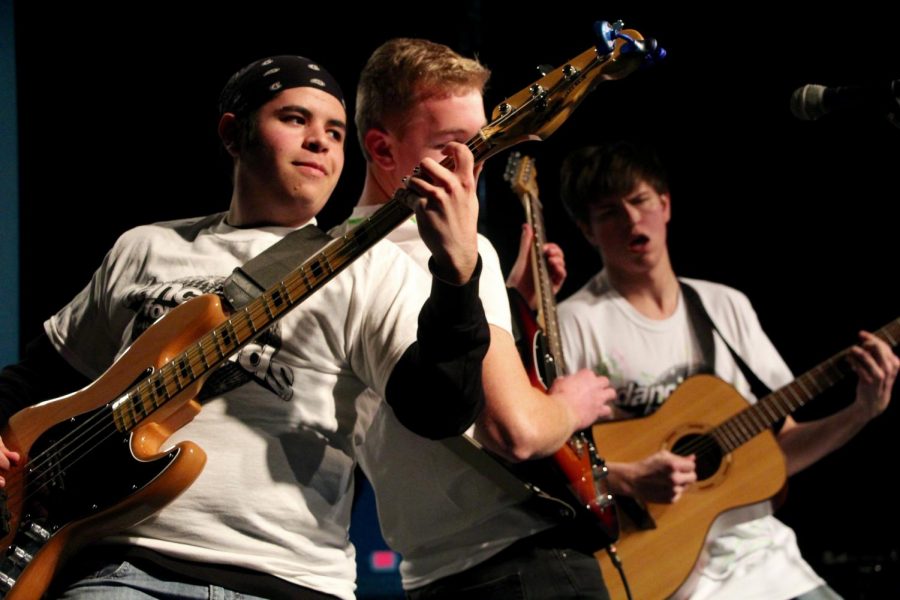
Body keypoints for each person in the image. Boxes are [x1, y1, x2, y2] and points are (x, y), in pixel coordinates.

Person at [0, 54, 493, 600]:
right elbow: (35, 379)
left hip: (290, 577)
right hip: (118, 569)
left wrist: (456, 275)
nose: (320, 142)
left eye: (334, 131)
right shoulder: (147, 247)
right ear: (234, 135)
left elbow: (442, 407)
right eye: (294, 119)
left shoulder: (370, 265)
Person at [333, 38, 616, 599]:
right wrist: (571, 404)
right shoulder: (464, 249)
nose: (475, 163)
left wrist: (511, 306)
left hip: (429, 577)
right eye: (452, 146)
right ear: (383, 150)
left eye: (482, 141)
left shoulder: (330, 260)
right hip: (526, 564)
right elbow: (515, 431)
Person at [556, 141, 899, 600]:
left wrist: (860, 412)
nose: (632, 220)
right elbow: (551, 461)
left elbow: (780, 448)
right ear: (587, 230)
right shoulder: (575, 321)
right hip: (663, 566)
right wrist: (629, 477)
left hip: (767, 559)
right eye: (609, 212)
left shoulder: (723, 306)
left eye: (639, 201)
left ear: (665, 204)